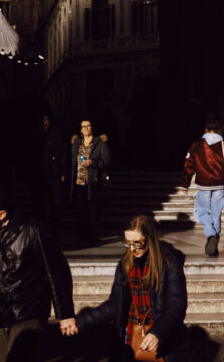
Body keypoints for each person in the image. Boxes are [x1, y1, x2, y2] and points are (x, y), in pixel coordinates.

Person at [0, 185, 75, 362]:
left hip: (27, 314)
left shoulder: (33, 231)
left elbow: (56, 272)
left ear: (1, 214)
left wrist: (66, 314)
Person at [76, 214, 189, 361]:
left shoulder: (169, 263)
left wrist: (158, 332)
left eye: (137, 243)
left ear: (150, 239)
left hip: (159, 335)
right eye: (128, 243)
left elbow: (176, 305)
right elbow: (114, 304)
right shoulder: (125, 264)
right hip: (130, 333)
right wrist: (80, 322)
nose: (132, 249)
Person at [180, 115, 224, 257]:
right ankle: (215, 240)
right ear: (219, 129)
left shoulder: (197, 144)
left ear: (205, 129)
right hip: (219, 184)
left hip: (203, 184)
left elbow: (188, 165)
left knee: (202, 212)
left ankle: (210, 235)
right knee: (216, 214)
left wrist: (185, 184)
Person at [70, 118, 111, 247]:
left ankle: (93, 238)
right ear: (80, 130)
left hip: (94, 182)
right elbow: (73, 163)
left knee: (93, 212)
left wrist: (93, 162)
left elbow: (107, 161)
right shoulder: (77, 144)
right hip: (79, 182)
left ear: (92, 128)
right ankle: (81, 238)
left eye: (88, 126)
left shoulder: (100, 144)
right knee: (81, 212)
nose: (86, 128)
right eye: (84, 126)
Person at [40, 113, 67, 231]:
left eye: (46, 120)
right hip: (41, 174)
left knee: (55, 203)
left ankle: (53, 227)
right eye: (43, 120)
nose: (45, 122)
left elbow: (63, 154)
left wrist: (63, 172)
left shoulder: (55, 134)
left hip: (54, 174)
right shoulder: (38, 135)